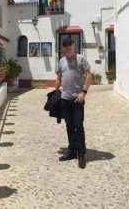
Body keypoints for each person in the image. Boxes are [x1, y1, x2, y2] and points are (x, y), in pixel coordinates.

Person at [55, 37, 92, 169]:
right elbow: (59, 78)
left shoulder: (81, 59)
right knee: (69, 125)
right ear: (63, 47)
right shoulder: (61, 61)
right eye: (65, 45)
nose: (67, 47)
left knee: (78, 125)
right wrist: (55, 92)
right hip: (65, 99)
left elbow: (89, 75)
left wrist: (84, 92)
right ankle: (71, 151)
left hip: (78, 99)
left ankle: (81, 154)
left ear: (73, 45)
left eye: (69, 44)